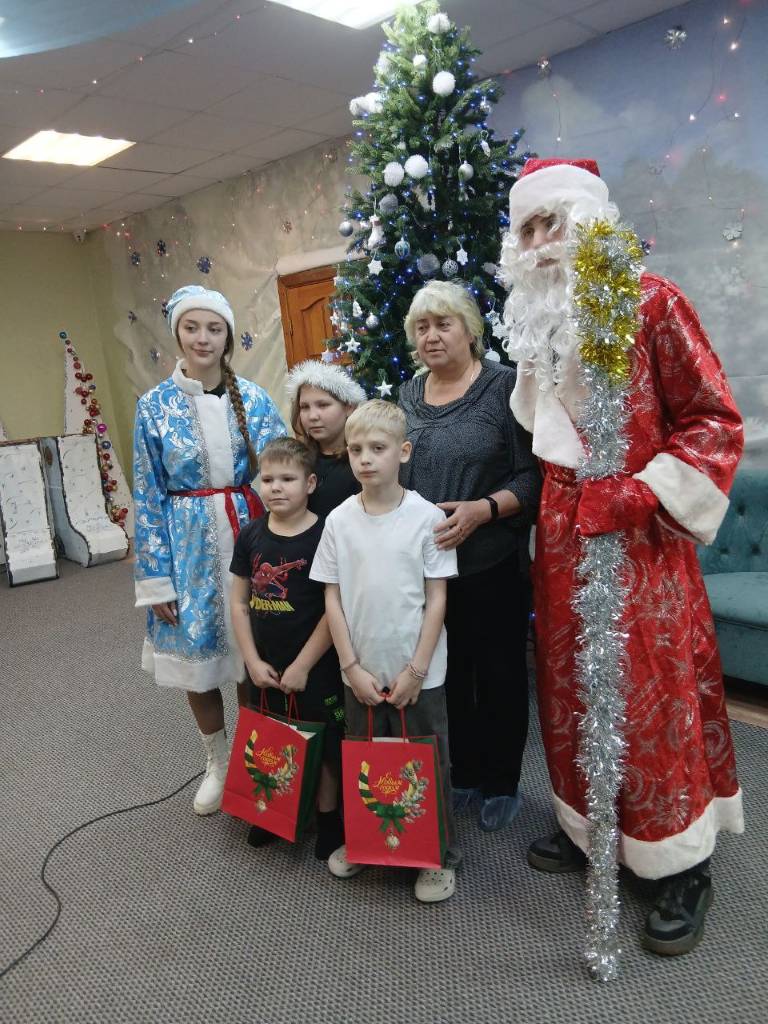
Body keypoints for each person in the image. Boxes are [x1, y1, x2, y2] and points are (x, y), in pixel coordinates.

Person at [500, 157, 744, 955]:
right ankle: (589, 828)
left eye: (553, 222)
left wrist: (639, 493)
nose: (540, 243)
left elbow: (714, 421)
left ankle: (678, 864)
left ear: (590, 221)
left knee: (650, 693)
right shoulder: (535, 325)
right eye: (527, 228)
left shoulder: (652, 302)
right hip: (562, 541)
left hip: (642, 542)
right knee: (569, 686)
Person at [133, 285, 285, 816]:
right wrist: (156, 579)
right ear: (178, 333)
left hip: (249, 533)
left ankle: (252, 757)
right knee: (198, 657)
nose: (203, 338)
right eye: (192, 328)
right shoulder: (153, 407)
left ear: (227, 336)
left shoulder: (255, 399)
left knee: (249, 653)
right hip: (187, 545)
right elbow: (148, 494)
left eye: (214, 329)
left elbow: (283, 467)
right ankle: (217, 761)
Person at [398, 281, 541, 832]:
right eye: (422, 327)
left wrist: (483, 510)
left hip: (492, 563)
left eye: (444, 324)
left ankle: (502, 781)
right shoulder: (408, 395)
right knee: (447, 672)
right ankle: (464, 771)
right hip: (429, 568)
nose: (432, 336)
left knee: (499, 672)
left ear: (471, 330)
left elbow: (533, 477)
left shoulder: (505, 387)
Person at [310, 400, 460, 903]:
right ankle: (367, 841)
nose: (366, 459)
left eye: (378, 448)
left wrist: (416, 669)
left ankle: (435, 855)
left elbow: (437, 599)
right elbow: (332, 598)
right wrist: (350, 667)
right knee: (366, 755)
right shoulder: (338, 521)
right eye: (356, 450)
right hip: (361, 668)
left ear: (404, 451)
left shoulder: (427, 518)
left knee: (426, 758)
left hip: (419, 670)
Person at [230, 437, 345, 859]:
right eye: (268, 479)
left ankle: (329, 818)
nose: (276, 487)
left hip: (315, 665)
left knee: (324, 742)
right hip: (265, 663)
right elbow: (239, 603)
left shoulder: (326, 534)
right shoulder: (250, 535)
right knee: (273, 736)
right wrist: (251, 660)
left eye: (288, 479)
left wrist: (303, 666)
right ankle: (275, 808)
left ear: (310, 483)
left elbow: (334, 609)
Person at [286, 360, 366, 517]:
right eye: (304, 407)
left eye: (323, 405)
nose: (312, 416)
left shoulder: (364, 462)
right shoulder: (298, 461)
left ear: (349, 407)